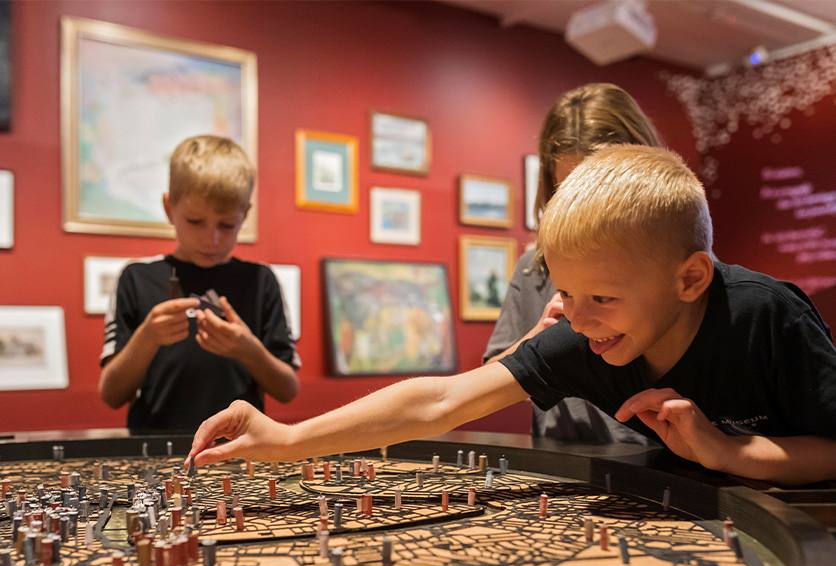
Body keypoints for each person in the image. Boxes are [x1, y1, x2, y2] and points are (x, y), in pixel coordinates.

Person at [189, 146, 836, 485]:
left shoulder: (766, 315)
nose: (577, 318)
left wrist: (727, 452)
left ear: (690, 279)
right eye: (566, 292)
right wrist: (287, 439)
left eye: (602, 298)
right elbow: (441, 401)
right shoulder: (588, 334)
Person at [483, 83, 661, 444]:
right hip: (559, 461)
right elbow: (489, 378)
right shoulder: (532, 267)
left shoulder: (673, 264)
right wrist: (536, 343)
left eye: (602, 191)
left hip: (654, 463)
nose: (587, 209)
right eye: (570, 192)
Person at [99, 135, 300, 434]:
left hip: (239, 448)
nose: (211, 239)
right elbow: (111, 395)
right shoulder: (136, 277)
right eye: (195, 221)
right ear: (169, 208)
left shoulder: (260, 281)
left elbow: (287, 390)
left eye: (227, 225)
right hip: (158, 447)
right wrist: (147, 338)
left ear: (245, 215)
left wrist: (248, 349)